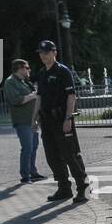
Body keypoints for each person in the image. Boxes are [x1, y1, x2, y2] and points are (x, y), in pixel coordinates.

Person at [33, 40, 89, 204]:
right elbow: (39, 97)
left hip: (61, 119)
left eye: (46, 52)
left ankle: (83, 188)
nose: (43, 56)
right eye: (41, 53)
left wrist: (68, 118)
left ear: (54, 52)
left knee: (71, 154)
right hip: (47, 120)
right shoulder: (42, 73)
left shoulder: (62, 71)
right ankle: (64, 188)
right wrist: (34, 119)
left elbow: (71, 96)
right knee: (52, 156)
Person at [4, 59, 45, 184]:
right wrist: (33, 95)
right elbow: (15, 100)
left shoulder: (24, 81)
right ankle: (25, 175)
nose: (29, 70)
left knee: (33, 147)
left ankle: (32, 172)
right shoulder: (10, 82)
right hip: (23, 121)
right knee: (27, 147)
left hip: (32, 120)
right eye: (27, 68)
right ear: (20, 69)